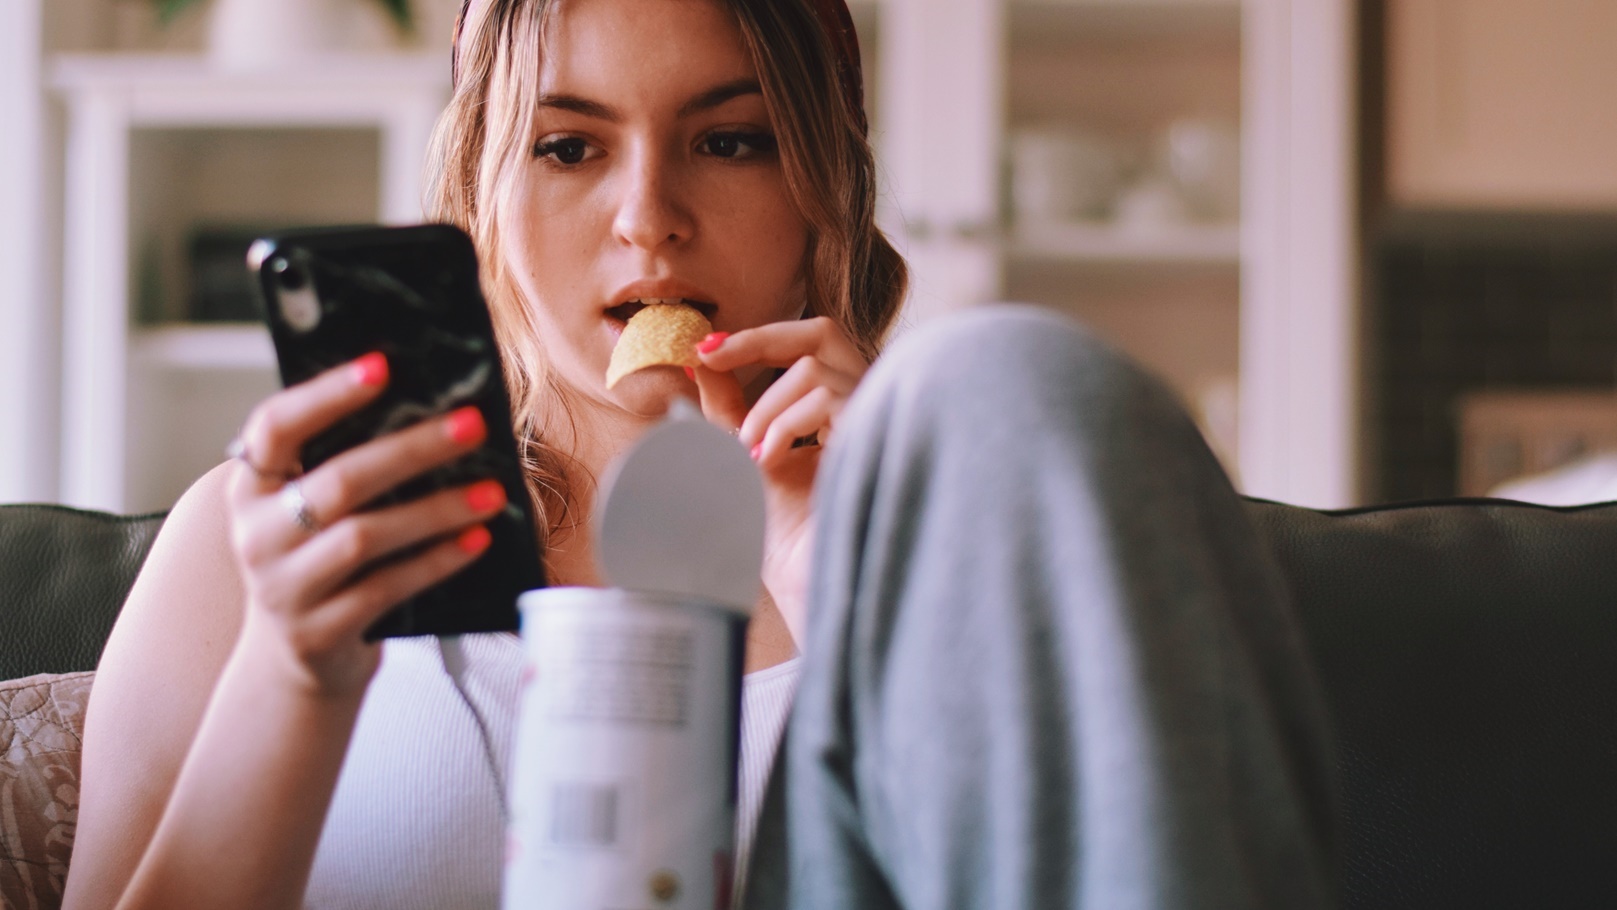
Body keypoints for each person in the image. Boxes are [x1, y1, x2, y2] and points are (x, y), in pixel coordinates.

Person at [62, 0, 1338, 908]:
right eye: (568, 146)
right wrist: (296, 674)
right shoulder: (263, 540)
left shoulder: (933, 528)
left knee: (1012, 374)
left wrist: (837, 562)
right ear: (479, 198)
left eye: (729, 140)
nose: (647, 217)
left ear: (821, 193)